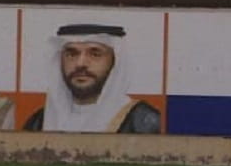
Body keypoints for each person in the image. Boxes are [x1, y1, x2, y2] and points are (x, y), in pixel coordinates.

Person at [23, 23, 162, 134]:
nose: (80, 64)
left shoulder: (142, 120)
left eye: (95, 54)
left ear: (115, 62)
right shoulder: (39, 122)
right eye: (72, 54)